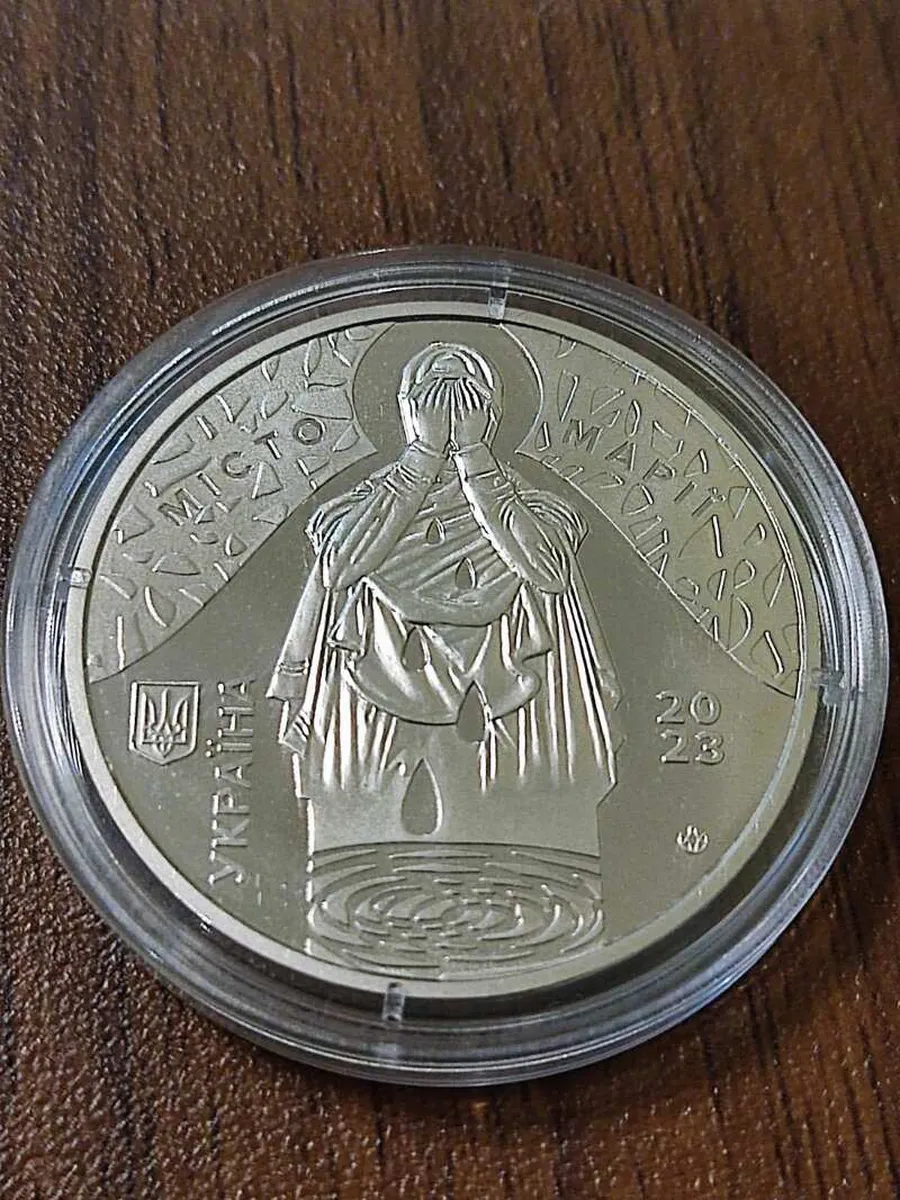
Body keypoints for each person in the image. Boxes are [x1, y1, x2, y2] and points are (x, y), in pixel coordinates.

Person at [267, 342, 620, 842]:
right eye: (432, 396)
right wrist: (423, 457)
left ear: (490, 414)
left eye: (467, 397)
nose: (450, 408)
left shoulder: (535, 509)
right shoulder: (362, 506)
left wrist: (475, 458)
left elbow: (548, 572)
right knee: (361, 836)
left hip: (507, 697)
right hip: (375, 691)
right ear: (409, 411)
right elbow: (340, 567)